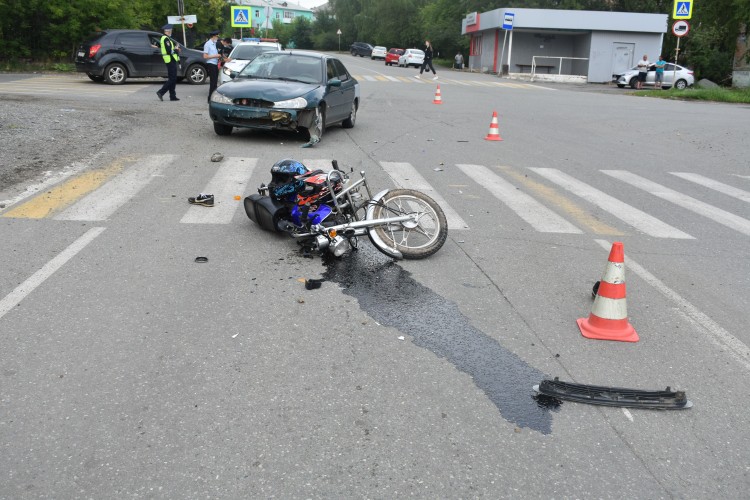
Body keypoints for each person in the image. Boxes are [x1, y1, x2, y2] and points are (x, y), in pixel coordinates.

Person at [156, 24, 181, 101]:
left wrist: (176, 49)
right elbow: (169, 50)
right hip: (169, 59)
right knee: (172, 79)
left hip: (171, 59)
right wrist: (177, 49)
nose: (171, 32)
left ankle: (172, 96)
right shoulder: (165, 39)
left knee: (173, 78)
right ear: (168, 31)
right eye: (171, 31)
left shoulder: (167, 38)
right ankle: (161, 92)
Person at [204, 30, 222, 102]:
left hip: (215, 64)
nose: (217, 38)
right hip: (210, 64)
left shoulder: (214, 44)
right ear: (213, 36)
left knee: (215, 83)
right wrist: (215, 56)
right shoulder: (208, 44)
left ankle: (213, 98)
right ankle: (210, 99)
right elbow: (205, 56)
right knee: (212, 82)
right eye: (217, 36)